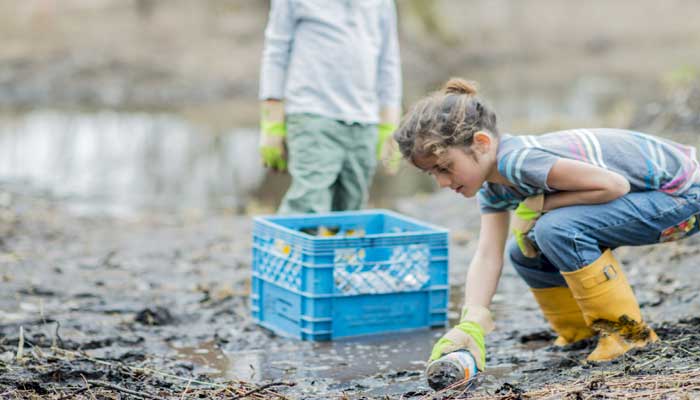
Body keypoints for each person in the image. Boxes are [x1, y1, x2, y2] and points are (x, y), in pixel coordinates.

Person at [393, 77, 700, 371]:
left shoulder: (519, 160)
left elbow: (614, 185)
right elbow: (488, 255)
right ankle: (580, 332)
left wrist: (537, 206)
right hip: (655, 201)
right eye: (432, 174)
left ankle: (628, 336)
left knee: (553, 228)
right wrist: (471, 322)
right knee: (523, 250)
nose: (443, 182)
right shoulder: (494, 186)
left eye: (446, 167)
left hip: (683, 197)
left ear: (482, 143)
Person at [258, 0, 402, 214]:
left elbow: (388, 60)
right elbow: (276, 51)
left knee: (351, 207)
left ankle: (340, 248)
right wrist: (272, 122)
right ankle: (288, 246)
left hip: (364, 120)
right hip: (312, 114)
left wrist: (390, 126)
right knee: (309, 202)